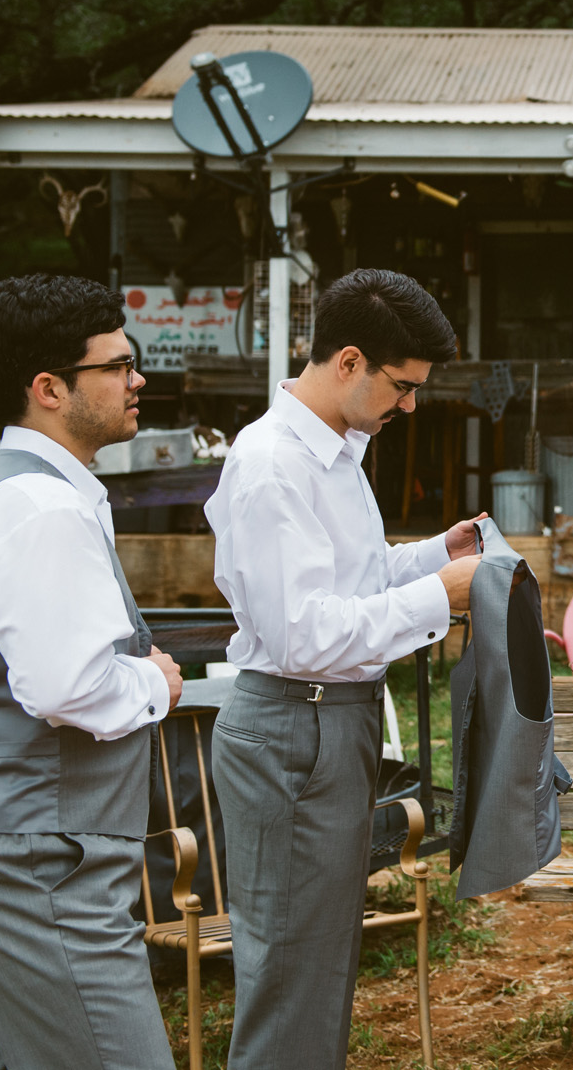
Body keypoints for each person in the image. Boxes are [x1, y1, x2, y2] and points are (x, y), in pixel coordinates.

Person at [206, 269, 485, 1070]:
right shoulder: (271, 465)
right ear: (349, 360)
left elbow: (351, 588)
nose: (410, 407)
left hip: (330, 720)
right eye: (401, 387)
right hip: (296, 722)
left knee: (319, 967)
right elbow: (304, 635)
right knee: (290, 975)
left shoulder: (338, 452)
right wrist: (440, 596)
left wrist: (439, 557)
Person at [0, 273, 184, 1070]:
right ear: (48, 389)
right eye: (117, 366)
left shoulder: (11, 494)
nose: (138, 381)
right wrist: (156, 683)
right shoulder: (39, 508)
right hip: (36, 861)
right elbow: (67, 688)